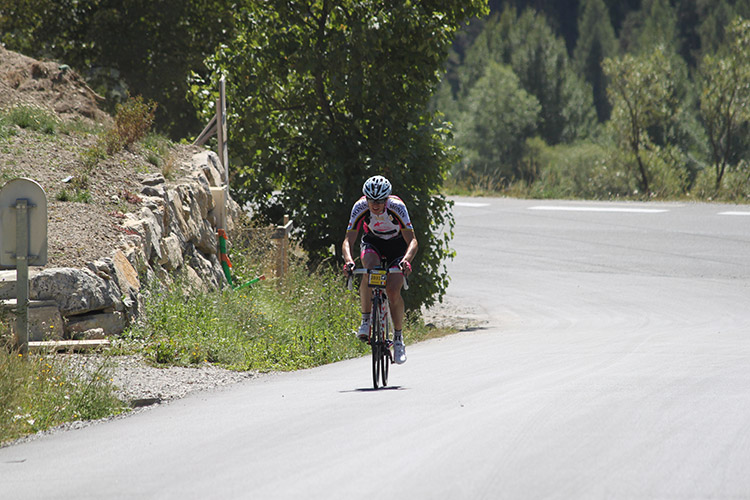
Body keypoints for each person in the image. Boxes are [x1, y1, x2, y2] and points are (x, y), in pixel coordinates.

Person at [342, 175, 418, 365]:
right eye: (371, 200)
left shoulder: (397, 207)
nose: (375, 205)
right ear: (365, 198)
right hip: (373, 242)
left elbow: (413, 241)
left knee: (393, 290)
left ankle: (398, 339)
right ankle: (366, 320)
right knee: (369, 269)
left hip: (397, 245)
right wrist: (349, 261)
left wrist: (407, 260)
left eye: (380, 201)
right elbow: (348, 240)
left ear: (387, 199)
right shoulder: (359, 207)